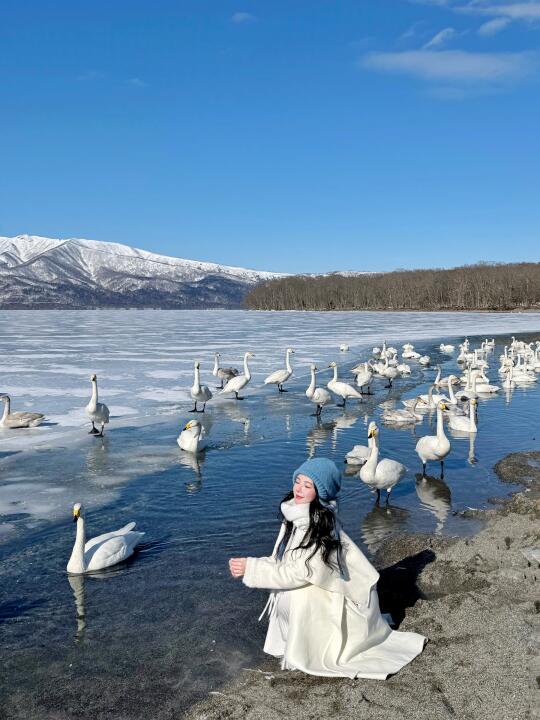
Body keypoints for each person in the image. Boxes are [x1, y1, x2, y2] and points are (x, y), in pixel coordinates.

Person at [229, 457, 426, 679]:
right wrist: (256, 563)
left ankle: (308, 645)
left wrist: (253, 569)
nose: (299, 489)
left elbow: (299, 573)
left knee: (302, 595)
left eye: (308, 485)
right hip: (307, 584)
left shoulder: (318, 528)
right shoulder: (297, 515)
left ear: (320, 493)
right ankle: (295, 639)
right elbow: (285, 559)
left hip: (319, 600)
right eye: (298, 481)